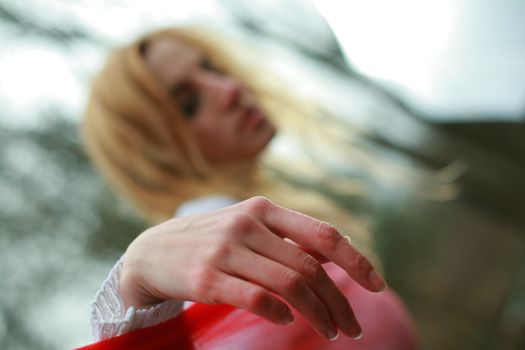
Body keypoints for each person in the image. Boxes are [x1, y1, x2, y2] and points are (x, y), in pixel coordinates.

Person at [81, 26, 417, 348]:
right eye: (189, 104)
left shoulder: (255, 226)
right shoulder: (214, 247)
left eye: (213, 68)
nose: (229, 90)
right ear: (158, 155)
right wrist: (137, 275)